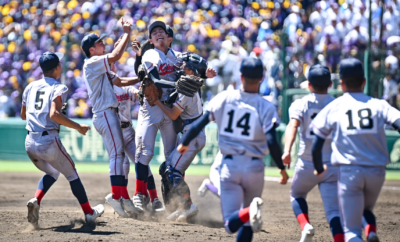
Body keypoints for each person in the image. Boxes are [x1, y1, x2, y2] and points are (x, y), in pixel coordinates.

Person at [177, 57, 289, 241]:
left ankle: (248, 211)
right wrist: (282, 169)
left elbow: (199, 124)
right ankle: (250, 211)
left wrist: (185, 142)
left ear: (241, 76)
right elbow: (272, 141)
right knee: (247, 226)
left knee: (231, 224)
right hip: (255, 168)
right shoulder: (266, 106)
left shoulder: (224, 98)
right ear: (262, 78)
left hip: (230, 166)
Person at [311, 58, 400, 242]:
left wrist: (319, 169)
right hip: (377, 172)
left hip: (350, 172)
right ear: (364, 81)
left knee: (351, 231)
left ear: (341, 84)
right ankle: (371, 230)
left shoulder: (334, 107)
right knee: (365, 210)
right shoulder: (379, 104)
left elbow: (316, 145)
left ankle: (364, 232)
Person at [21, 51, 104, 225]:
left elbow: (23, 115)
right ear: (58, 68)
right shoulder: (59, 87)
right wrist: (78, 126)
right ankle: (89, 213)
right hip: (48, 140)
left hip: (29, 142)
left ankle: (36, 200)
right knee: (72, 174)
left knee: (52, 172)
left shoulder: (30, 87)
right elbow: (54, 114)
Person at [81, 18, 141, 217]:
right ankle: (115, 196)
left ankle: (120, 197)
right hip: (105, 113)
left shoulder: (99, 65)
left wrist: (141, 78)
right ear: (91, 50)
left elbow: (120, 81)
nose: (103, 44)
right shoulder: (92, 63)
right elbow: (115, 55)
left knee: (119, 156)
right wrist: (126, 33)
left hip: (107, 113)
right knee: (117, 156)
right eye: (100, 43)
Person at [282, 64, 344, 242]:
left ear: (308, 85)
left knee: (296, 195)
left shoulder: (301, 103)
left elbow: (293, 125)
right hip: (331, 165)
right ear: (330, 84)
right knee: (333, 211)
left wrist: (286, 151)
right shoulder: (337, 105)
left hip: (307, 163)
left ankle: (305, 225)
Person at [155, 52, 216, 222]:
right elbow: (198, 78)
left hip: (192, 135)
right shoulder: (192, 83)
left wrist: (157, 102)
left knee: (172, 172)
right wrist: (206, 74)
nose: (182, 67)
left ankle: (188, 205)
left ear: (192, 71)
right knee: (168, 170)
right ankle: (178, 207)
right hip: (193, 134)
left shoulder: (187, 89)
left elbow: (174, 114)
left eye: (186, 66)